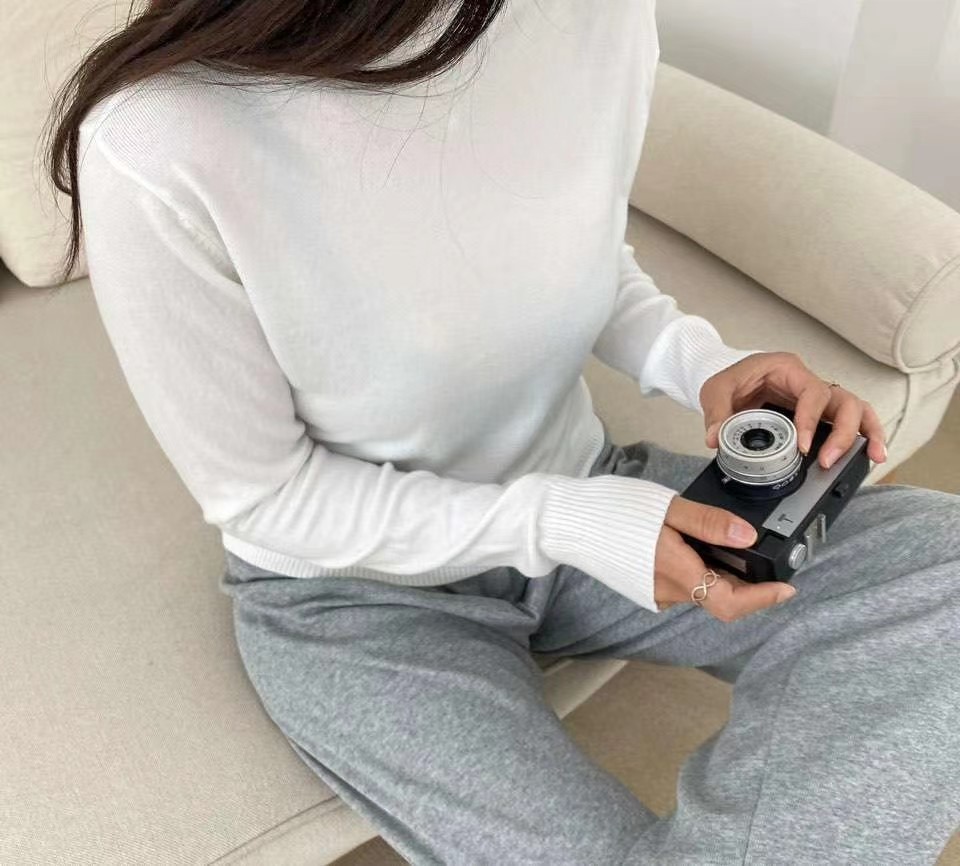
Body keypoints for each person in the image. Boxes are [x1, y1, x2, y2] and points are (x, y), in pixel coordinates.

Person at [46, 0, 959, 863]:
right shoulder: (158, 140)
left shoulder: (596, 17)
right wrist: (565, 521)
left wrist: (701, 361)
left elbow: (582, 254)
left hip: (590, 484)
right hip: (358, 597)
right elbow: (265, 498)